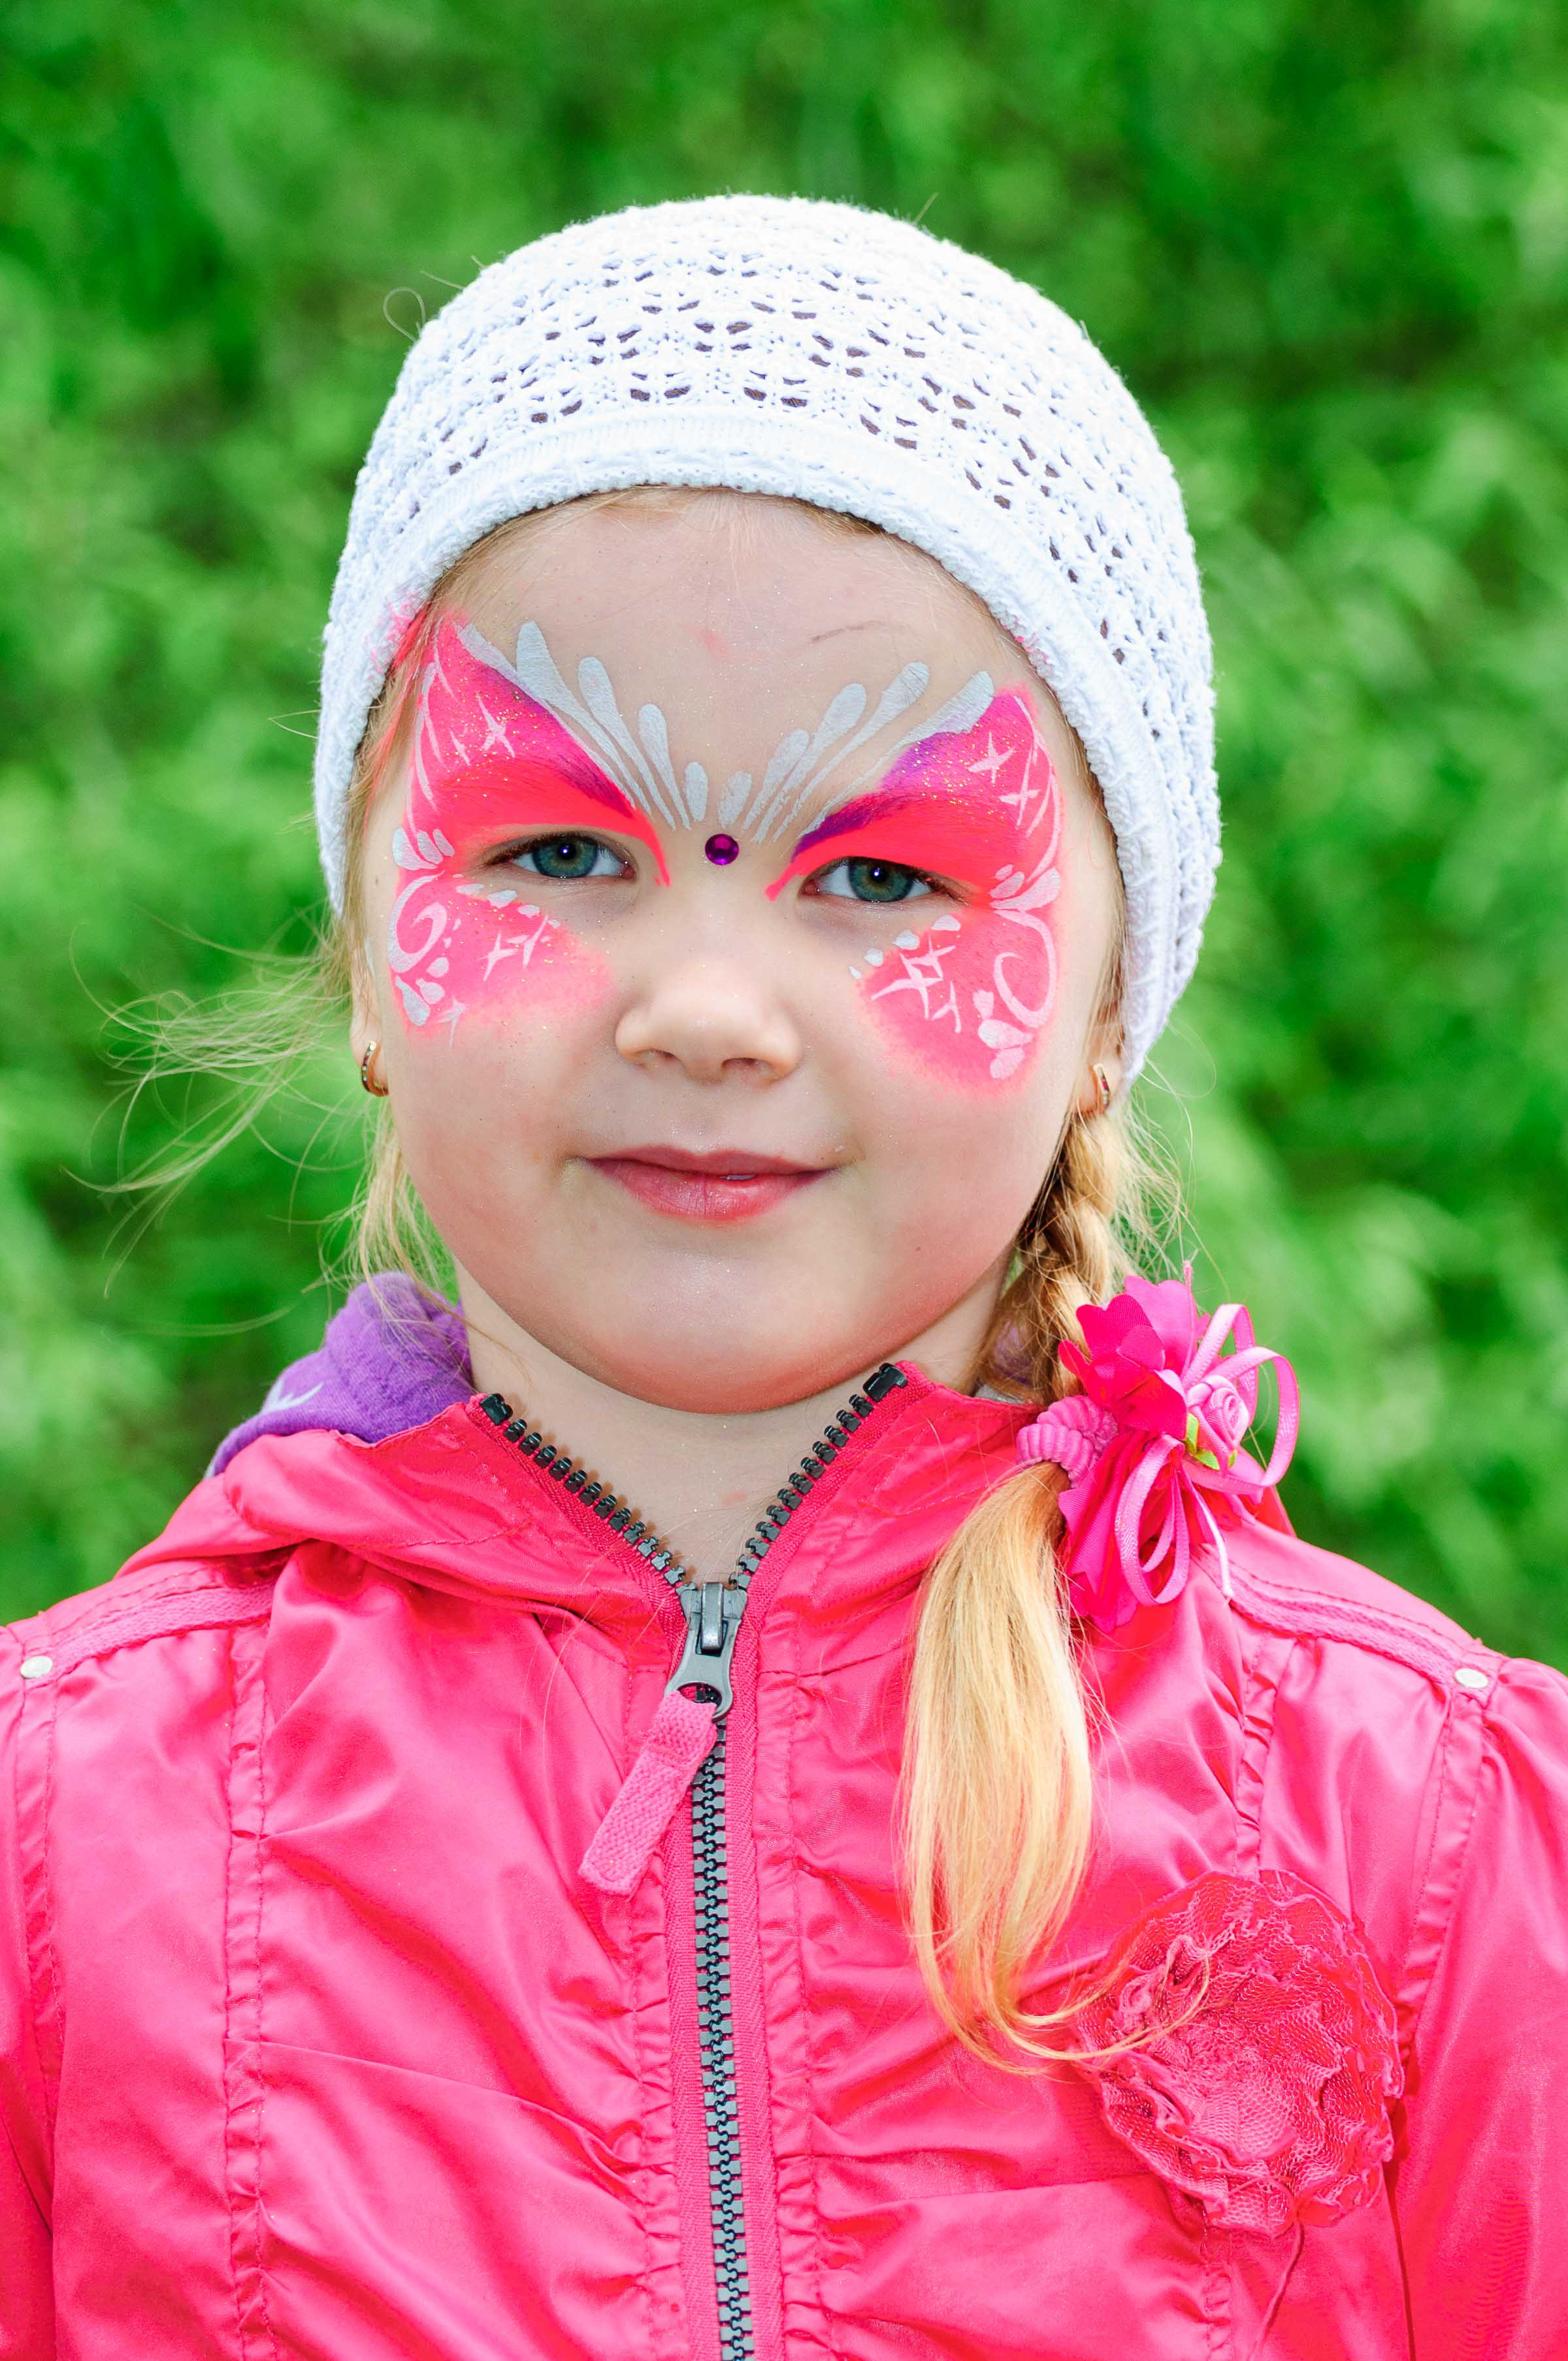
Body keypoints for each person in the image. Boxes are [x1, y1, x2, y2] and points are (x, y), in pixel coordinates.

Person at [2, 195, 1563, 2361]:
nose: (709, 1005)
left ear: (1114, 996)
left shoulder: (1438, 1832)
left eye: (884, 873)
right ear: (366, 941)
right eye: (560, 850)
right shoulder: (61, 1852)